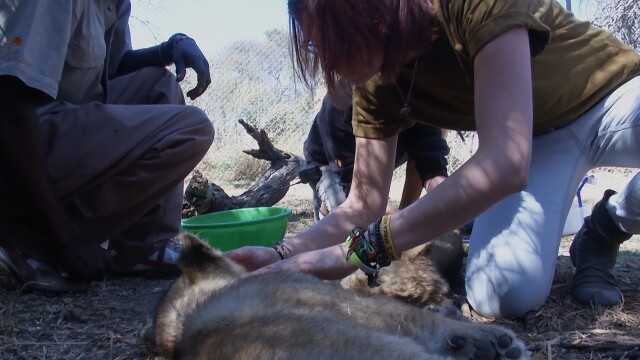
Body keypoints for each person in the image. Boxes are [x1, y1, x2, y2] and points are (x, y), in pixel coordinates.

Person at [227, 0, 640, 319]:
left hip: (613, 98)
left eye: (337, 38)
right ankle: (598, 231)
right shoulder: (374, 85)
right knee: (504, 294)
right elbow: (362, 204)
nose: (329, 62)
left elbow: (505, 160)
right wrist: (284, 253)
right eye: (318, 45)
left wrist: (357, 252)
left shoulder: (468, 6)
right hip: (542, 144)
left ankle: (616, 220)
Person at [0, 0, 215, 293]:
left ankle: (142, 248)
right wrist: (64, 241)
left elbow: (112, 69)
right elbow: (10, 105)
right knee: (193, 129)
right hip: (20, 141)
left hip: (63, 123)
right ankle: (28, 241)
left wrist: (170, 47)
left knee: (160, 85)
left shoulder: (115, 4)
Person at [303, 93, 450, 221]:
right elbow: (358, 196)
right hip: (328, 164)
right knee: (355, 221)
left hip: (371, 157)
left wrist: (408, 215)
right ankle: (327, 208)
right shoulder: (340, 103)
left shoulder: (416, 95)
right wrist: (399, 223)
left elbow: (429, 163)